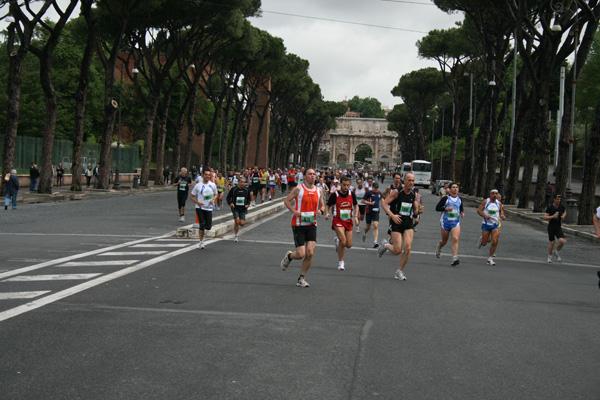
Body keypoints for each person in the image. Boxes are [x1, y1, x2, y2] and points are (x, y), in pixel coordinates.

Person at [280, 168, 325, 287]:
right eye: (310, 174)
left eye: (314, 174)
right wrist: (294, 210)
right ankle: (289, 256)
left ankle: (301, 278)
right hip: (299, 225)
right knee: (300, 254)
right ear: (304, 177)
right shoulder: (299, 189)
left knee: (310, 253)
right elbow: (287, 200)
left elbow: (322, 204)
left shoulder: (319, 190)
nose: (312, 176)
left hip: (312, 225)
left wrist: (321, 210)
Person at [377, 173, 424, 281]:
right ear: (404, 181)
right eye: (409, 180)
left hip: (408, 223)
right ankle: (386, 245)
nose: (411, 183)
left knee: (408, 248)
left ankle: (399, 271)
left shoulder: (414, 194)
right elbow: (384, 204)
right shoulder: (397, 192)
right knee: (398, 250)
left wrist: (419, 211)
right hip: (396, 222)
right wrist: (392, 215)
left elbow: (415, 210)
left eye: (413, 181)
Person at [326, 176, 359, 271]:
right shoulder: (334, 195)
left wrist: (356, 217)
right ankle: (341, 262)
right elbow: (327, 205)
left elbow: (356, 205)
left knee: (349, 245)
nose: (346, 187)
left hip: (348, 221)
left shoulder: (351, 194)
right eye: (344, 185)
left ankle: (337, 240)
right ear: (340, 184)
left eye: (348, 185)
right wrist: (327, 213)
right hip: (338, 220)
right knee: (343, 241)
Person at [435, 182, 465, 266]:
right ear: (450, 189)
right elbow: (437, 208)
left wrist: (462, 212)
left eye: (456, 187)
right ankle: (439, 246)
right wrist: (446, 208)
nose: (455, 188)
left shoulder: (459, 199)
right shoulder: (446, 198)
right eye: (453, 187)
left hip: (455, 222)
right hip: (445, 222)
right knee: (445, 241)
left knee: (455, 238)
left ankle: (454, 257)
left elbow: (461, 207)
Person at [190, 169, 218, 249]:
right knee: (202, 225)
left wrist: (213, 199)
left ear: (210, 176)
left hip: (209, 208)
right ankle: (201, 242)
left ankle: (203, 230)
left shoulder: (212, 185)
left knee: (208, 227)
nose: (207, 176)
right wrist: (198, 202)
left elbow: (216, 194)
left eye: (209, 175)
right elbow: (191, 196)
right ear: (202, 175)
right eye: (206, 174)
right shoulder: (198, 185)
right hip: (200, 208)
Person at [477, 189, 506, 266]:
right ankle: (482, 240)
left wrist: (502, 216)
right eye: (493, 193)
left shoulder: (499, 203)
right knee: (484, 243)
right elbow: (479, 210)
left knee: (494, 241)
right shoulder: (486, 202)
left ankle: (490, 258)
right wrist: (485, 216)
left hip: (495, 225)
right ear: (490, 194)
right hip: (486, 224)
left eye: (496, 194)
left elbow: (501, 212)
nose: (494, 195)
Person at [543, 194, 566, 263]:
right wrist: (552, 216)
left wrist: (563, 216)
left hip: (558, 227)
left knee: (562, 241)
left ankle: (556, 252)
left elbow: (565, 211)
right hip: (551, 227)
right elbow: (545, 217)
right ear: (554, 199)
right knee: (552, 243)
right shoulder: (550, 208)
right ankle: (549, 257)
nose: (559, 201)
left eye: (560, 199)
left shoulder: (561, 206)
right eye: (557, 199)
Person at [227, 176, 251, 242]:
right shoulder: (234, 189)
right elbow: (228, 198)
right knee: (237, 221)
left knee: (242, 223)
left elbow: (249, 199)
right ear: (238, 182)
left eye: (244, 182)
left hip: (243, 208)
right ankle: (236, 235)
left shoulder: (246, 190)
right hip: (235, 208)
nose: (243, 183)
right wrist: (230, 203)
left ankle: (238, 225)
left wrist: (247, 204)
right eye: (241, 182)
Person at [362, 181, 382, 248]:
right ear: (372, 187)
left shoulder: (379, 193)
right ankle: (365, 233)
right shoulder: (369, 193)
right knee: (368, 227)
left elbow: (383, 200)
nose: (376, 189)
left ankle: (375, 242)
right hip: (369, 212)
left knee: (376, 226)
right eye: (375, 188)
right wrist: (370, 203)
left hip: (376, 212)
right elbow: (362, 201)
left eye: (377, 188)